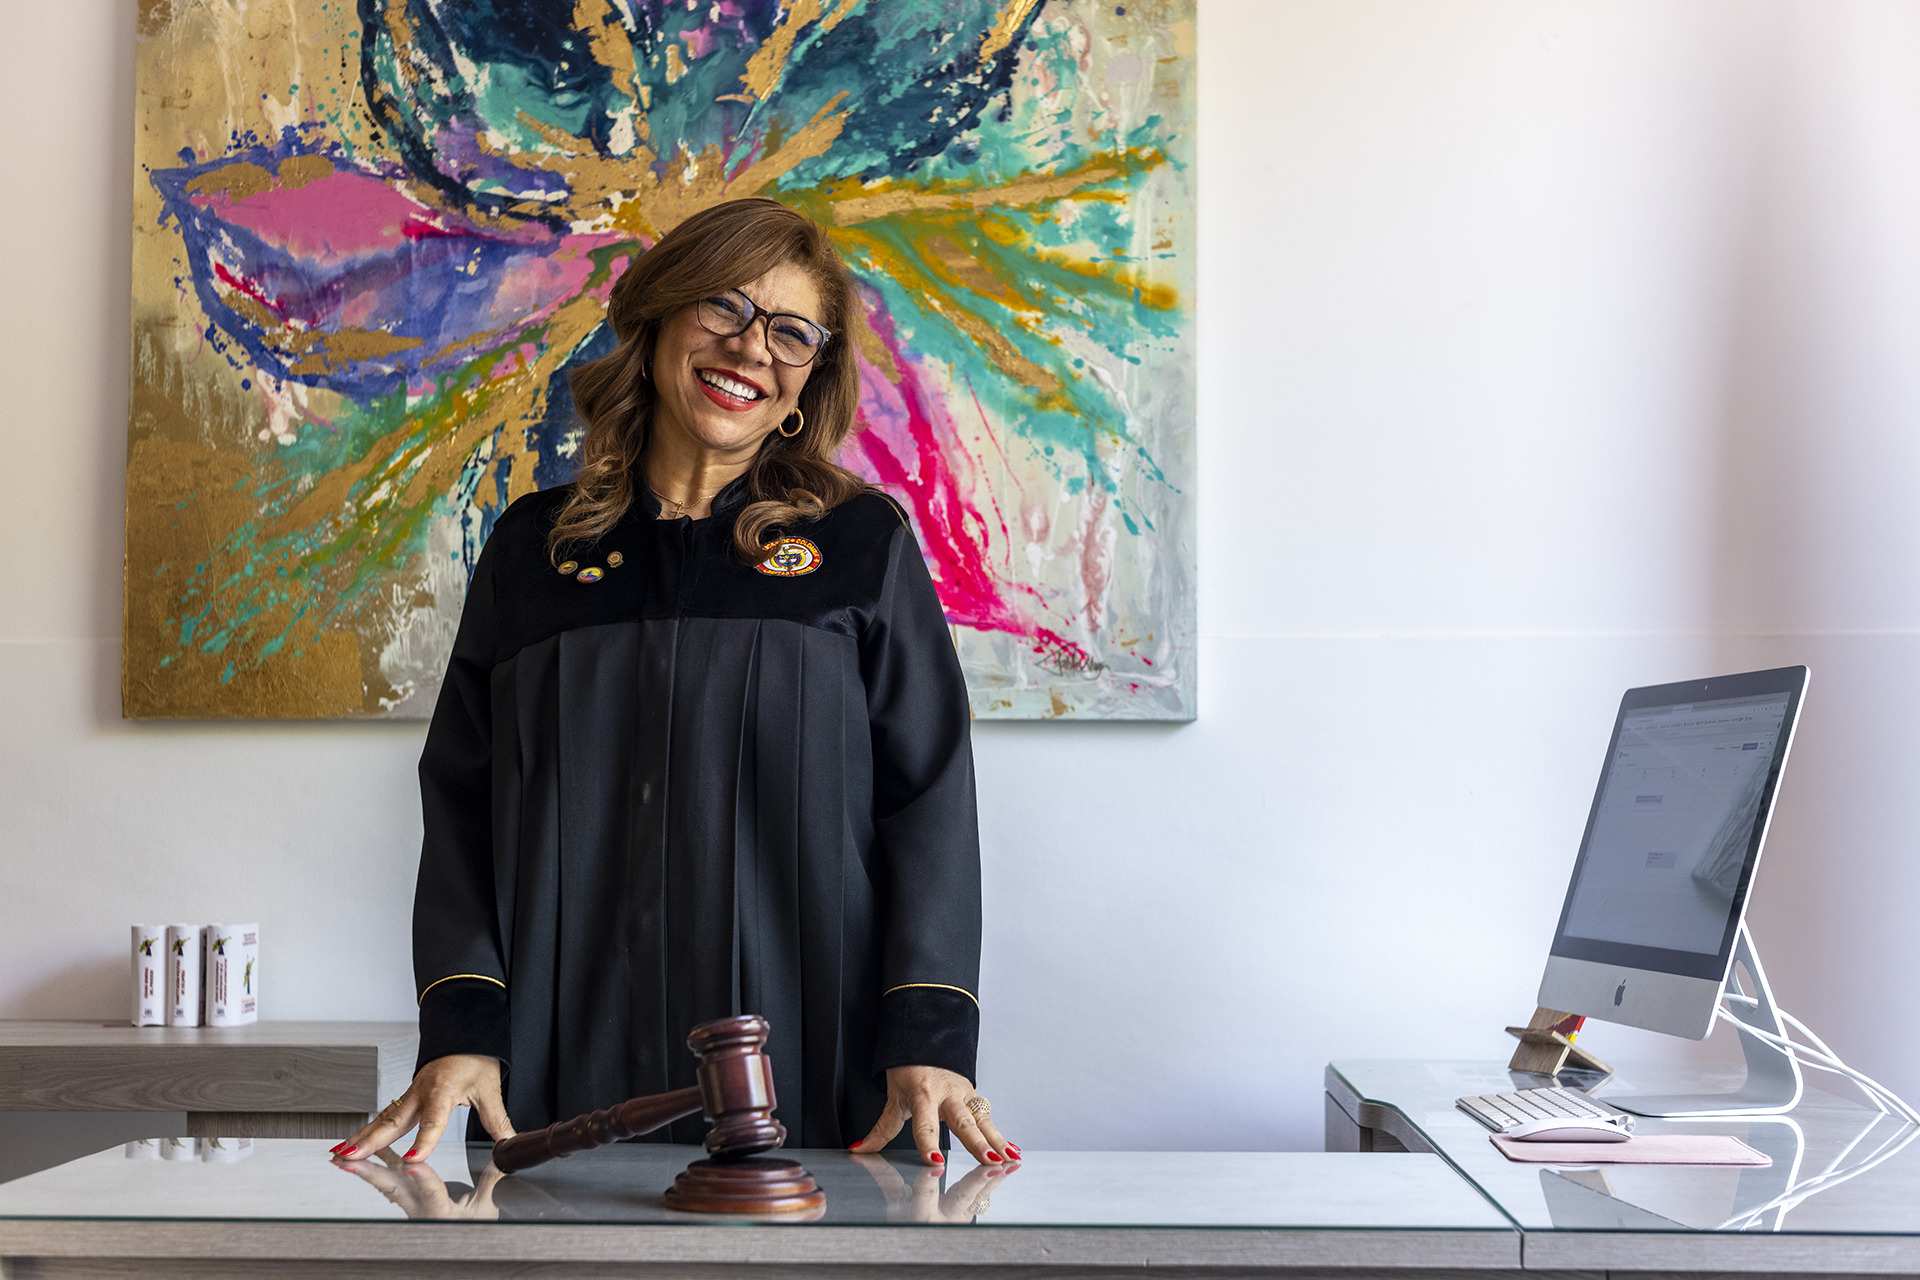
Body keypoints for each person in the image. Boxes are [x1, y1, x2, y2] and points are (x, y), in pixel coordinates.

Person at [334, 198, 1016, 1169]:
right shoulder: (535, 550)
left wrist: (930, 1039)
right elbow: (461, 809)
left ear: (806, 382)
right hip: (559, 1071)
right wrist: (461, 1024)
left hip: (816, 1070)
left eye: (791, 333)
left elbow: (931, 803)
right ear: (657, 320)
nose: (752, 348)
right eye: (725, 307)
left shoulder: (862, 548)